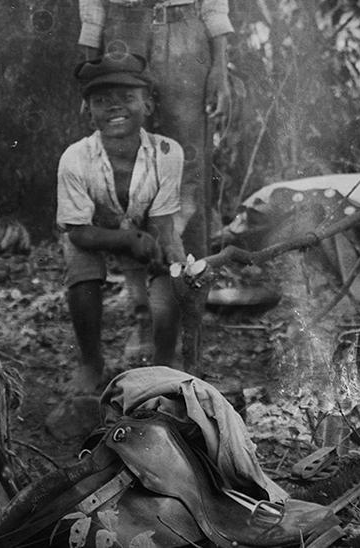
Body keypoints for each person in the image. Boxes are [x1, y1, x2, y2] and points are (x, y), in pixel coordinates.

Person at [57, 54, 186, 393]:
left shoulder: (168, 153)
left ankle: (165, 361)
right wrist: (127, 241)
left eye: (127, 98)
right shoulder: (75, 158)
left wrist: (158, 246)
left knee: (170, 267)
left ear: (148, 105)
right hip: (93, 231)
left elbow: (162, 219)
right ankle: (90, 361)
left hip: (147, 224)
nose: (115, 108)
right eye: (101, 101)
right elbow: (77, 231)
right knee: (80, 268)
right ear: (87, 112)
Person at [77, 0, 233, 259]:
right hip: (122, 36)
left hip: (186, 36)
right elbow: (92, 8)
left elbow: (215, 6)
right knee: (126, 162)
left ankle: (190, 278)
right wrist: (91, 73)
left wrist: (219, 68)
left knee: (188, 164)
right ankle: (143, 283)